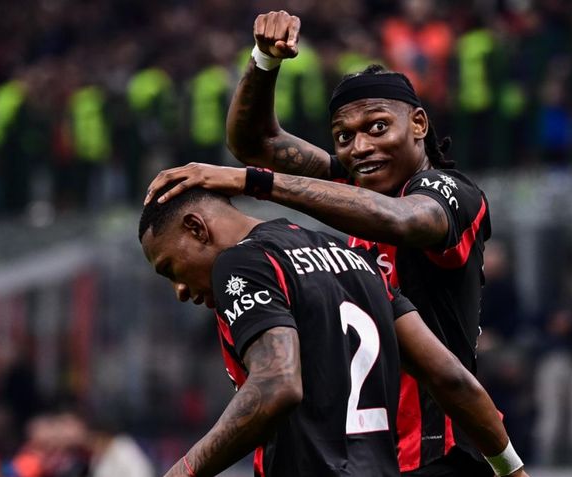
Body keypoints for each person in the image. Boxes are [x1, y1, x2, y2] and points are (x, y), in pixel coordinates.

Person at [144, 10, 495, 476]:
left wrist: (253, 182)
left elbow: (401, 221)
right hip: (377, 456)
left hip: (438, 451)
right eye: (344, 137)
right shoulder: (356, 184)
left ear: (418, 124)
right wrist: (264, 61)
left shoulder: (452, 193)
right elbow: (255, 142)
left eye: (377, 127)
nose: (360, 147)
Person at [138, 184, 527, 477]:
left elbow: (277, 385)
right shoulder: (354, 258)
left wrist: (186, 470)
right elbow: (450, 377)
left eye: (170, 268)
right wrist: (511, 469)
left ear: (196, 228)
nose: (179, 290)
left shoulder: (241, 263)